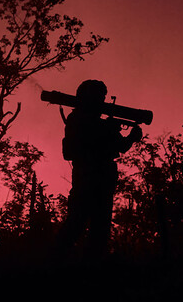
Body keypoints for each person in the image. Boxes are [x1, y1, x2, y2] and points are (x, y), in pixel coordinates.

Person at [55, 79, 142, 258]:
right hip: (89, 181)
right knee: (78, 225)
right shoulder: (82, 121)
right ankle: (54, 263)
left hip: (99, 182)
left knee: (97, 230)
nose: (102, 101)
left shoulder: (87, 121)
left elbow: (119, 145)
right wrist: (124, 135)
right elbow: (78, 149)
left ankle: (81, 268)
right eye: (99, 97)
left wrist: (127, 137)